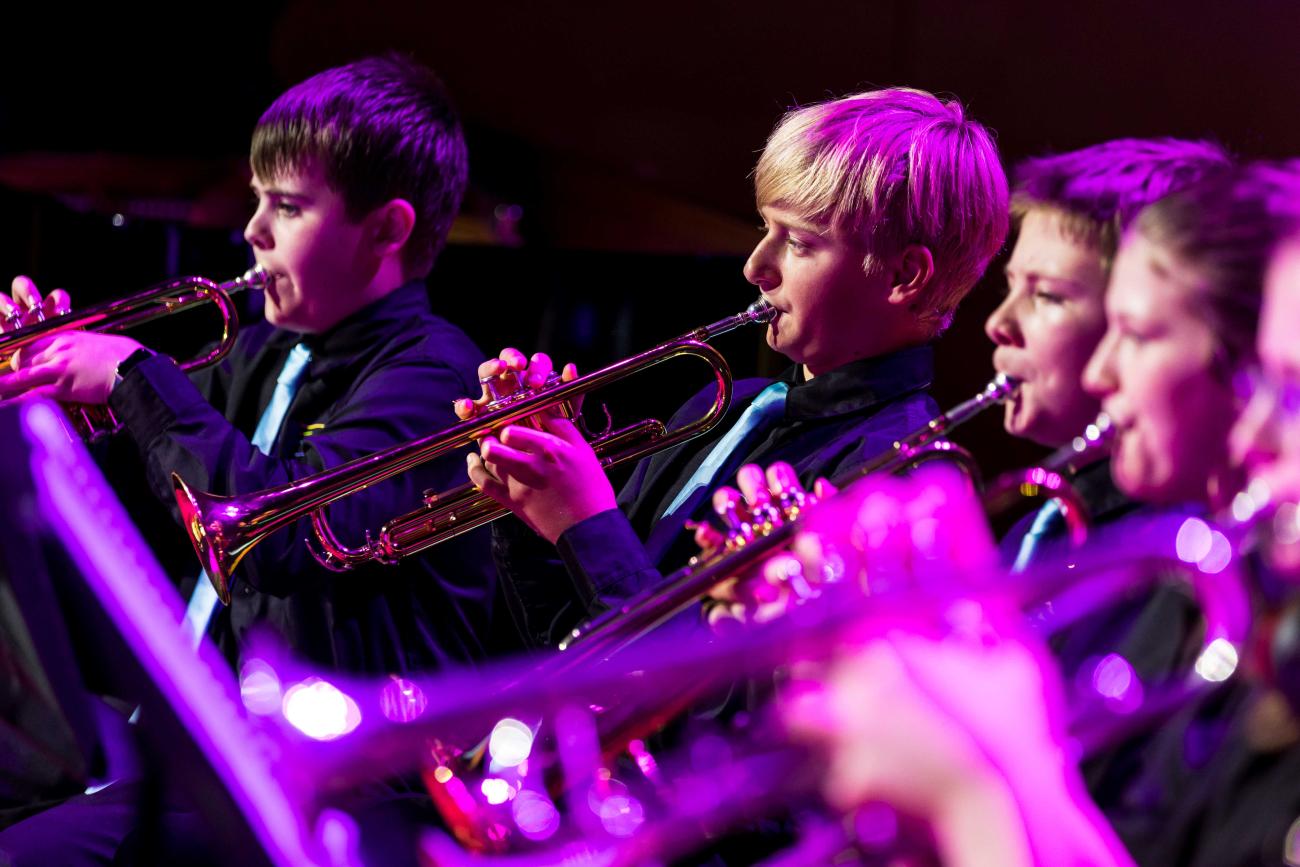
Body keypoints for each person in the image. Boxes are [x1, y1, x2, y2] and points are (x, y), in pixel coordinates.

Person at [0, 54, 498, 865]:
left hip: (337, 785)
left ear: (387, 231)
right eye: (259, 198)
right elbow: (162, 489)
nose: (252, 231)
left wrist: (130, 376)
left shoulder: (432, 374)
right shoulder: (265, 350)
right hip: (193, 744)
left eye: (288, 206)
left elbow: (276, 532)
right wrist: (55, 401)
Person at [458, 87, 1010, 647]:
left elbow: (715, 701)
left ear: (904, 277)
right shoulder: (724, 406)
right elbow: (578, 643)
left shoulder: (902, 480)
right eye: (763, 229)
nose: (754, 267)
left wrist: (585, 523)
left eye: (797, 242)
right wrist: (534, 495)